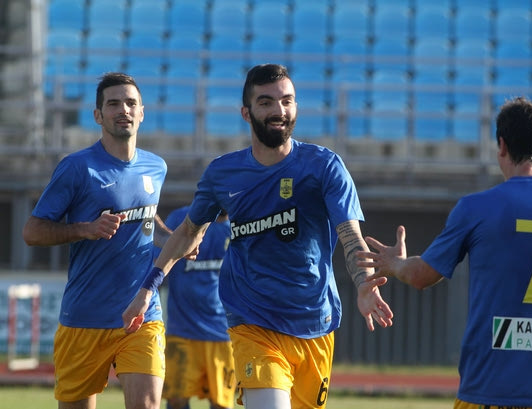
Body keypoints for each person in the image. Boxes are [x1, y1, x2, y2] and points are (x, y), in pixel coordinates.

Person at [122, 63, 394, 409]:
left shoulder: (324, 166)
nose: (279, 110)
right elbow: (189, 231)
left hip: (314, 322)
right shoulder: (223, 173)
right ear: (246, 112)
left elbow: (351, 235)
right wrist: (148, 289)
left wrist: (364, 283)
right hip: (252, 323)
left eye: (287, 101)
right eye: (266, 102)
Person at [356, 96, 532, 409]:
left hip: (487, 392)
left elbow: (420, 277)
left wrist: (397, 263)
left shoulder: (474, 209)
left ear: (502, 146)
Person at [22, 72, 169, 409]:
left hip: (141, 315)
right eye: (113, 104)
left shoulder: (156, 166)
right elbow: (32, 232)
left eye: (130, 103)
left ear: (142, 112)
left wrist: (174, 239)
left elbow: (149, 217)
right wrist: (85, 229)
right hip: (85, 318)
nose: (123, 110)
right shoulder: (77, 167)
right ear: (98, 116)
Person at [160, 207, 236, 409]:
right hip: (182, 329)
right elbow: (159, 260)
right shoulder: (181, 219)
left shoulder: (240, 223)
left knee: (221, 404)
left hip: (223, 333)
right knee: (176, 400)